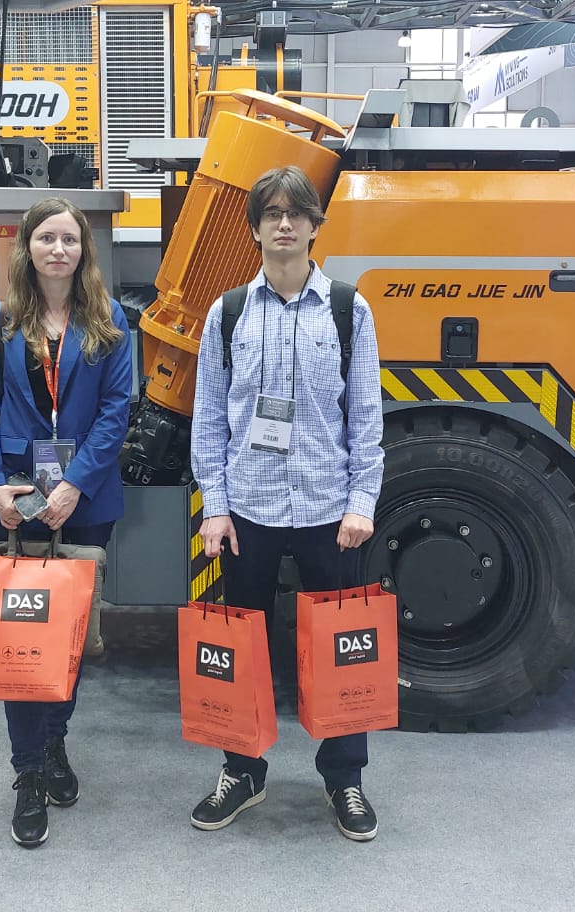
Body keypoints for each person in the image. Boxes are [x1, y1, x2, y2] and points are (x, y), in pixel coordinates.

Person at [188, 165, 385, 842]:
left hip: (330, 510)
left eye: (295, 212)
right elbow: (209, 418)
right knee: (240, 649)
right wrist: (215, 507)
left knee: (341, 650)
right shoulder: (228, 314)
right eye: (271, 213)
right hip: (249, 510)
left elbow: (366, 416)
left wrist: (362, 501)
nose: (283, 223)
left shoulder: (349, 310)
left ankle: (345, 777)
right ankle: (241, 771)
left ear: (313, 226)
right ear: (254, 229)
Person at [0, 196, 133, 849]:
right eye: (46, 238)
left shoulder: (109, 319)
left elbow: (116, 411)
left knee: (68, 636)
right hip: (16, 499)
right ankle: (29, 770)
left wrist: (73, 484)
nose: (58, 249)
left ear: (83, 250)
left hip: (83, 500)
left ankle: (54, 738)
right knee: (22, 634)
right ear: (27, 248)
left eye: (69, 239)